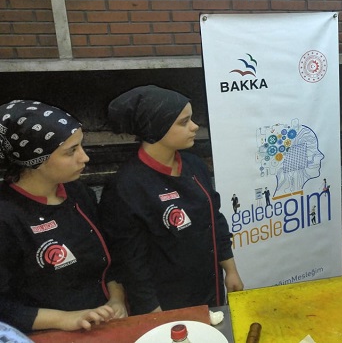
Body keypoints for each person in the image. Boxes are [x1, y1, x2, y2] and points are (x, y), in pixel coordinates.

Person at [98, 85, 244, 315]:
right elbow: (131, 262)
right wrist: (152, 311)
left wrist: (230, 270)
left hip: (208, 287)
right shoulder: (126, 187)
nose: (195, 127)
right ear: (157, 128)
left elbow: (214, 219)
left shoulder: (194, 165)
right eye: (184, 122)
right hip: (166, 302)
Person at [0, 100, 127, 333]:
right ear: (35, 160)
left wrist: (116, 300)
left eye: (81, 146)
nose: (85, 158)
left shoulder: (79, 193)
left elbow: (111, 259)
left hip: (101, 324)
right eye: (71, 151)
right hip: (45, 334)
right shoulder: (6, 216)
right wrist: (64, 319)